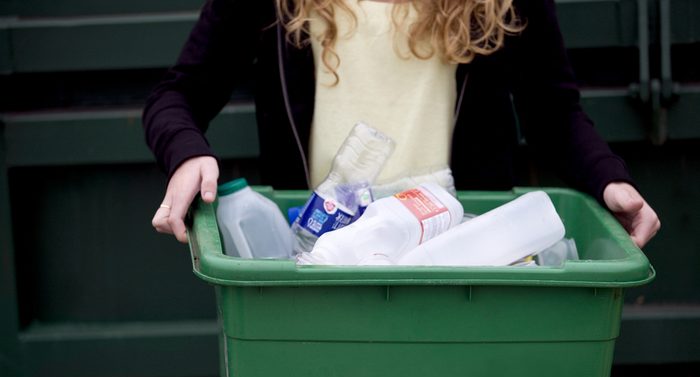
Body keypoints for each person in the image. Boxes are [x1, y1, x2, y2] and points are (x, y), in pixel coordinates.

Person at [144, 0, 660, 247]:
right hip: (320, 266)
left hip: (463, 268)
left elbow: (554, 115)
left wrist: (609, 179)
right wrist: (187, 153)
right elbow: (177, 97)